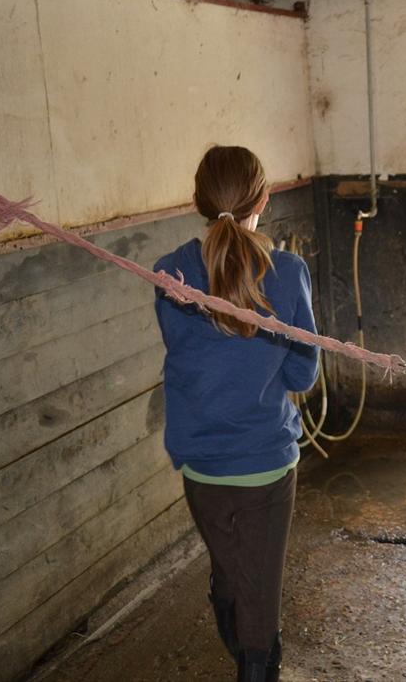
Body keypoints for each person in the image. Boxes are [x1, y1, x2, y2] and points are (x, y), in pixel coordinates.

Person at [153, 145, 319, 682]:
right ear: (264, 200)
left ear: (197, 200)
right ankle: (255, 660)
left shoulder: (170, 274)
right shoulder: (288, 272)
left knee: (232, 571)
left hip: (200, 464)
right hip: (264, 465)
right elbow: (302, 375)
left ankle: (227, 604)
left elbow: (188, 359)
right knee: (260, 612)